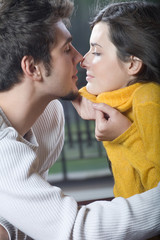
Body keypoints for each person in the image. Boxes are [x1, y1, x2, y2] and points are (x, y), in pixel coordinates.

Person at [0, 0, 160, 239]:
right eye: (67, 49)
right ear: (32, 67)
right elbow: (75, 230)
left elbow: (25, 201)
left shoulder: (49, 117)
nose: (80, 58)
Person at [74, 1, 160, 199]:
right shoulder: (116, 98)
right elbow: (86, 94)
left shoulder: (148, 99)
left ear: (132, 64)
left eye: (96, 52)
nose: (83, 60)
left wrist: (124, 135)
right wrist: (78, 100)